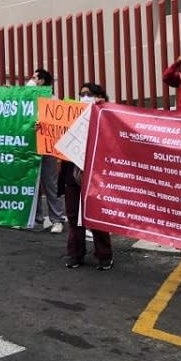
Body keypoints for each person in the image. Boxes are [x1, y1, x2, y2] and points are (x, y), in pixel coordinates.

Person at [63, 83, 113, 269]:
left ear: (98, 96)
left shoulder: (106, 114)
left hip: (95, 174)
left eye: (88, 94)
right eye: (80, 94)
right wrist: (43, 129)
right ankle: (75, 254)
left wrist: (103, 106)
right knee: (74, 216)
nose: (83, 97)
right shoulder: (72, 115)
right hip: (72, 174)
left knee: (97, 215)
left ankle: (104, 255)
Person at [28, 68, 66, 233]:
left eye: (34, 77)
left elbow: (57, 123)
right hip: (31, 147)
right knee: (32, 184)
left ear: (42, 81)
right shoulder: (27, 98)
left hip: (47, 147)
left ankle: (57, 219)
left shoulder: (52, 99)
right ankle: (36, 219)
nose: (31, 79)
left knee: (50, 184)